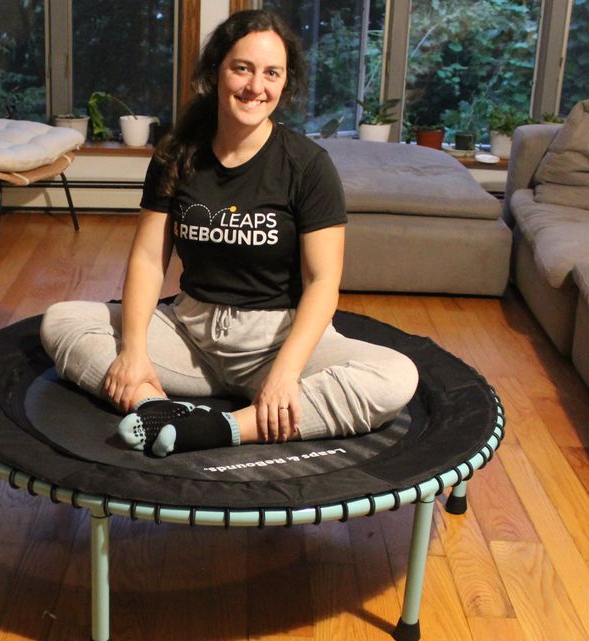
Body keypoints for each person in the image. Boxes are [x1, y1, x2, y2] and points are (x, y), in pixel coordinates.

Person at [40, 9, 418, 457]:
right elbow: (147, 259)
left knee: (395, 377)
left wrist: (285, 374)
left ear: (285, 83)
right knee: (61, 321)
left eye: (272, 73)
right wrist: (134, 353)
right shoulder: (176, 155)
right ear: (216, 72)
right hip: (190, 336)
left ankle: (220, 428)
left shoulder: (308, 166)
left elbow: (322, 282)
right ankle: (155, 408)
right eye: (242, 68)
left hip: (276, 341)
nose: (256, 86)